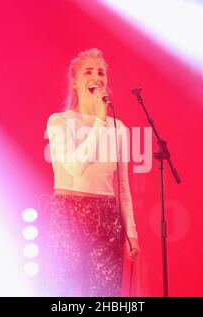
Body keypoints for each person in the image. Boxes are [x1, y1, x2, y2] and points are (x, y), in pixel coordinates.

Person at [44, 48, 140, 297]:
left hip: (106, 217)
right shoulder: (59, 121)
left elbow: (122, 186)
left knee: (105, 295)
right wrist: (98, 121)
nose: (97, 77)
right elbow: (75, 167)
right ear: (75, 82)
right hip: (68, 213)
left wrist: (131, 231)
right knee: (62, 292)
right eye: (88, 72)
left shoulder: (118, 127)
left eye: (101, 72)